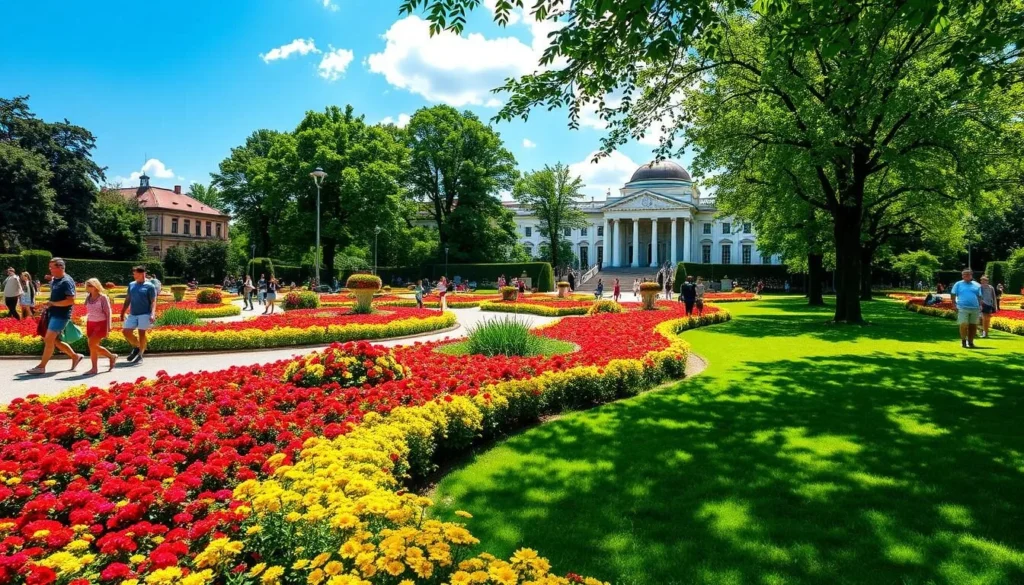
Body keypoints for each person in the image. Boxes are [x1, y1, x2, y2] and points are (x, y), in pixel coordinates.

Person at [26, 258, 83, 374]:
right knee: (55, 341)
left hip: (61, 315)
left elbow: (71, 300)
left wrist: (53, 303)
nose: (50, 269)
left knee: (48, 340)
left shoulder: (66, 281)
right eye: (50, 267)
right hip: (53, 313)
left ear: (60, 267)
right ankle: (75, 356)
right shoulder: (57, 279)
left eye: (52, 267)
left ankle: (41, 367)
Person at [121, 265, 157, 364]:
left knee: (142, 333)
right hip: (133, 313)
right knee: (126, 332)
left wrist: (152, 313)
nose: (134, 275)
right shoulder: (131, 284)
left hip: (145, 313)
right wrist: (123, 311)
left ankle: (140, 355)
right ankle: (137, 347)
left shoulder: (150, 286)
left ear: (142, 274)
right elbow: (128, 298)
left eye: (135, 273)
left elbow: (153, 301)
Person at [82, 278, 116, 374]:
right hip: (90, 323)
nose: (88, 288)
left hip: (100, 323)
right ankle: (94, 368)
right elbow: (88, 310)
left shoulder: (103, 297)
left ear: (96, 286)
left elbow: (108, 313)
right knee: (93, 347)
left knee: (92, 344)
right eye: (87, 285)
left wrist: (108, 328)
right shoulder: (88, 297)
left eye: (90, 285)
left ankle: (111, 356)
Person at [950, 268, 983, 349]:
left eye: (968, 274)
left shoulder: (977, 285)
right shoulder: (958, 284)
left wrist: (980, 305)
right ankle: (963, 341)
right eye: (964, 274)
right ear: (962, 276)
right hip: (962, 307)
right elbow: (953, 294)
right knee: (963, 324)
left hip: (975, 307)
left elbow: (979, 296)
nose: (966, 276)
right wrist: (954, 304)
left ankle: (971, 342)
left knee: (973, 326)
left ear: (971, 275)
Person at [979, 274, 999, 339]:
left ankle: (986, 332)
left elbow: (993, 297)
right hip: (983, 304)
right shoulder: (979, 287)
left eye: (985, 280)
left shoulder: (991, 287)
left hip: (989, 304)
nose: (984, 281)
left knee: (987, 319)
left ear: (987, 281)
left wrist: (995, 306)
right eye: (982, 280)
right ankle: (984, 333)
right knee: (984, 319)